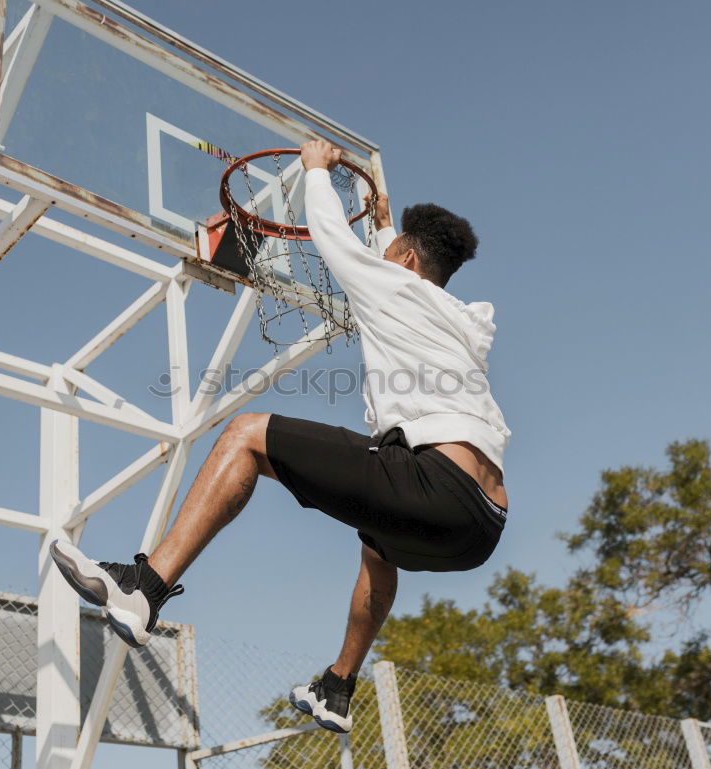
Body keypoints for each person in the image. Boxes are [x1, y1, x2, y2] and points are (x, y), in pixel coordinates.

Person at [50, 139, 511, 734]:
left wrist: (316, 171)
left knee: (245, 435)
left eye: (391, 250)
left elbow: (330, 236)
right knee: (378, 546)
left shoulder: (395, 284)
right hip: (481, 529)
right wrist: (383, 220)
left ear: (406, 261)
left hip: (432, 486)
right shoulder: (454, 318)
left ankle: (145, 587)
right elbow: (392, 256)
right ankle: (339, 686)